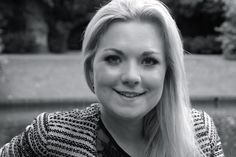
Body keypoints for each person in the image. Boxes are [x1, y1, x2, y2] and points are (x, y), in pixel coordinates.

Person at [0, 0, 224, 156]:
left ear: (168, 71)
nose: (131, 77)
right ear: (91, 68)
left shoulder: (200, 132)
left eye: (149, 61)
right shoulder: (52, 135)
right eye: (114, 59)